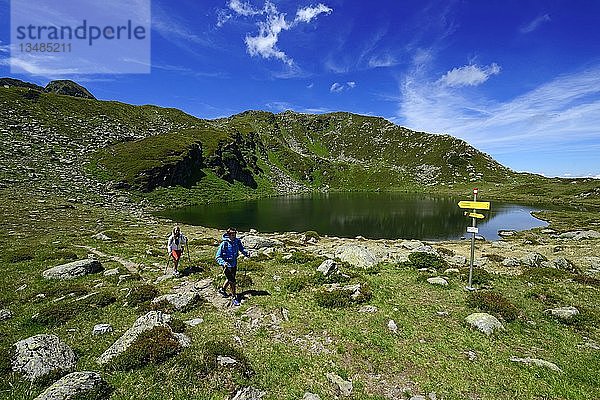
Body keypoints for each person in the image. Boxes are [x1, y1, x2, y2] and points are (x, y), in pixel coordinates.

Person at [215, 227, 249, 306]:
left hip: (234, 263)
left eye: (235, 234)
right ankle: (234, 297)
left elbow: (241, 249)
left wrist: (247, 254)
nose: (234, 236)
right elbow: (218, 256)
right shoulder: (224, 244)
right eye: (232, 234)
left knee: (230, 278)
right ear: (228, 235)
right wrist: (223, 263)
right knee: (232, 281)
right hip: (227, 265)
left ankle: (222, 289)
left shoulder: (237, 241)